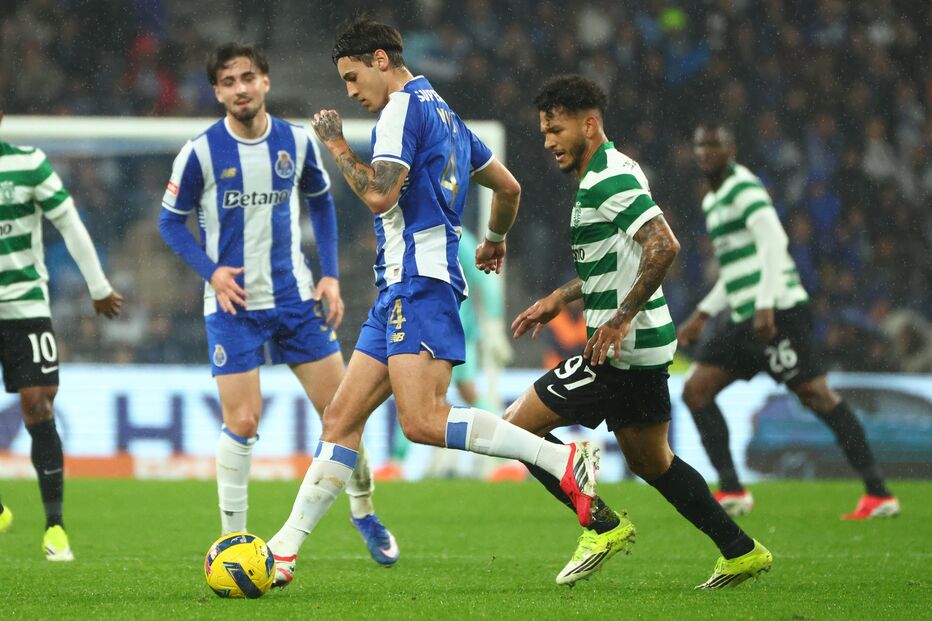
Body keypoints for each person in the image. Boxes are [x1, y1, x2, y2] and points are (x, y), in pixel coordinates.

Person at [267, 18, 598, 587]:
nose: (350, 91)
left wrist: (336, 143)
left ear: (380, 59)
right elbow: (509, 187)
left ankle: (559, 458)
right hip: (399, 286)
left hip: (420, 281)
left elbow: (379, 195)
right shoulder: (444, 111)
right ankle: (284, 550)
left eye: (352, 77)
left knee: (422, 420)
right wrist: (495, 238)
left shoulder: (399, 110)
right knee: (340, 419)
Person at [502, 75, 772, 588]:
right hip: (645, 345)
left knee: (516, 429)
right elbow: (619, 260)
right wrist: (561, 298)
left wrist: (619, 318)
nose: (549, 142)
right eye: (544, 133)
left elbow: (663, 245)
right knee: (653, 462)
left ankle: (600, 524)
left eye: (556, 130)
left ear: (589, 124)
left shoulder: (607, 179)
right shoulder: (616, 169)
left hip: (619, 349)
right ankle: (740, 550)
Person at [157, 42, 398, 565]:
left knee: (342, 413)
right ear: (217, 92)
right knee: (242, 422)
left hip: (296, 300)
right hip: (233, 306)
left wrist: (330, 276)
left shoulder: (296, 142)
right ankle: (233, 543)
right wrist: (212, 271)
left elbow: (321, 203)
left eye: (248, 77)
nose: (240, 88)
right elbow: (169, 221)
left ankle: (363, 509)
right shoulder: (200, 152)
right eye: (228, 81)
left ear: (265, 81)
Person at [677, 123, 899, 520]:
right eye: (700, 145)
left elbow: (775, 243)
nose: (706, 151)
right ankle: (732, 489)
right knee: (696, 390)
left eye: (714, 144)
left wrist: (765, 305)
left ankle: (878, 493)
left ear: (731, 149)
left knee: (816, 395)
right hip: (745, 317)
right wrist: (703, 312)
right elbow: (736, 268)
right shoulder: (713, 201)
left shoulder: (744, 188)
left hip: (777, 311)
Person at [0, 106, 123, 560]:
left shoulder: (28, 163)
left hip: (25, 305)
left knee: (38, 403)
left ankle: (54, 526)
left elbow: (68, 221)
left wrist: (98, 286)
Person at [373, 226, 513, 481]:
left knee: (464, 391)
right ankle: (397, 463)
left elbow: (486, 282)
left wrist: (493, 324)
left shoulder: (457, 235)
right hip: (421, 326)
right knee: (413, 390)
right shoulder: (412, 228)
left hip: (455, 329)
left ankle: (508, 458)